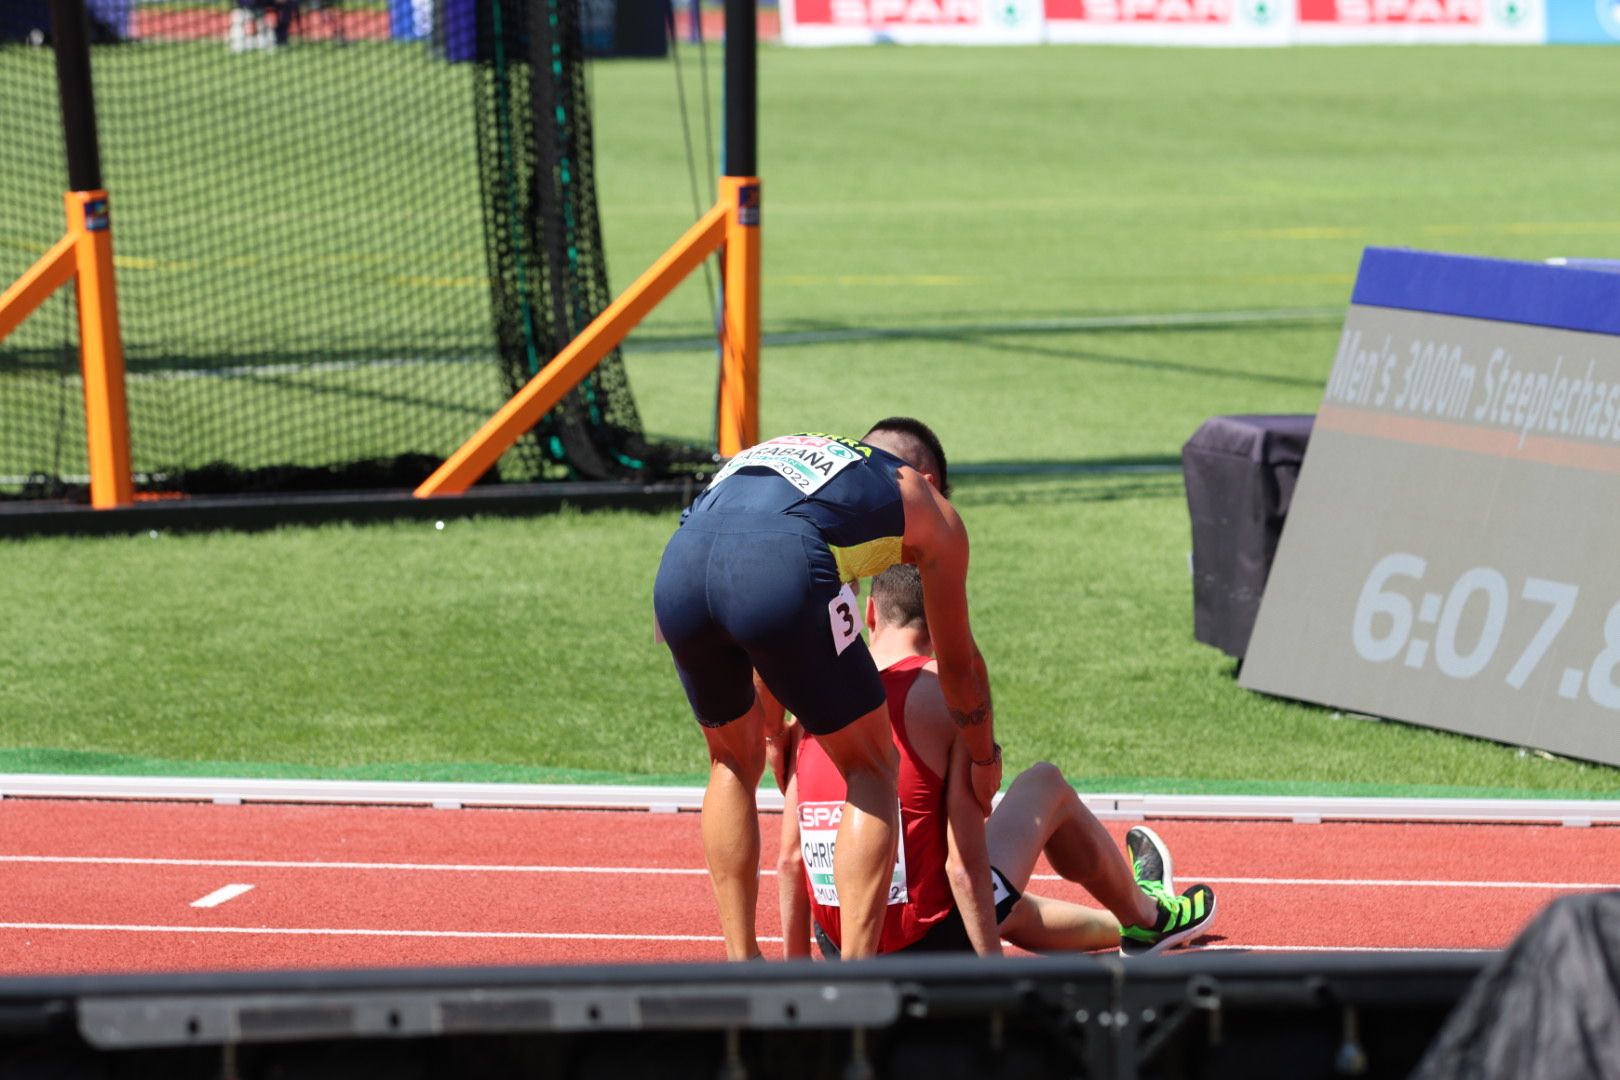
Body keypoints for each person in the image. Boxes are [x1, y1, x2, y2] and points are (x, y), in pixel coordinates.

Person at [653, 419, 998, 961]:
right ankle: (854, 978)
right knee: (872, 766)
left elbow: (769, 629)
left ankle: (742, 964)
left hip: (680, 565)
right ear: (930, 481)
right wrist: (983, 756)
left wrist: (772, 734)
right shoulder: (931, 510)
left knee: (729, 763)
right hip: (779, 561)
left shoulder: (823, 470)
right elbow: (959, 667)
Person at [775, 564, 1217, 958]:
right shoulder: (945, 696)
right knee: (1044, 784)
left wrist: (794, 980)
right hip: (932, 946)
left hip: (841, 944)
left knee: (1002, 904)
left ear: (870, 613)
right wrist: (990, 983)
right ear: (946, 622)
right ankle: (1148, 917)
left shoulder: (813, 703)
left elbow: (791, 860)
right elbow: (963, 869)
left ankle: (1134, 921)